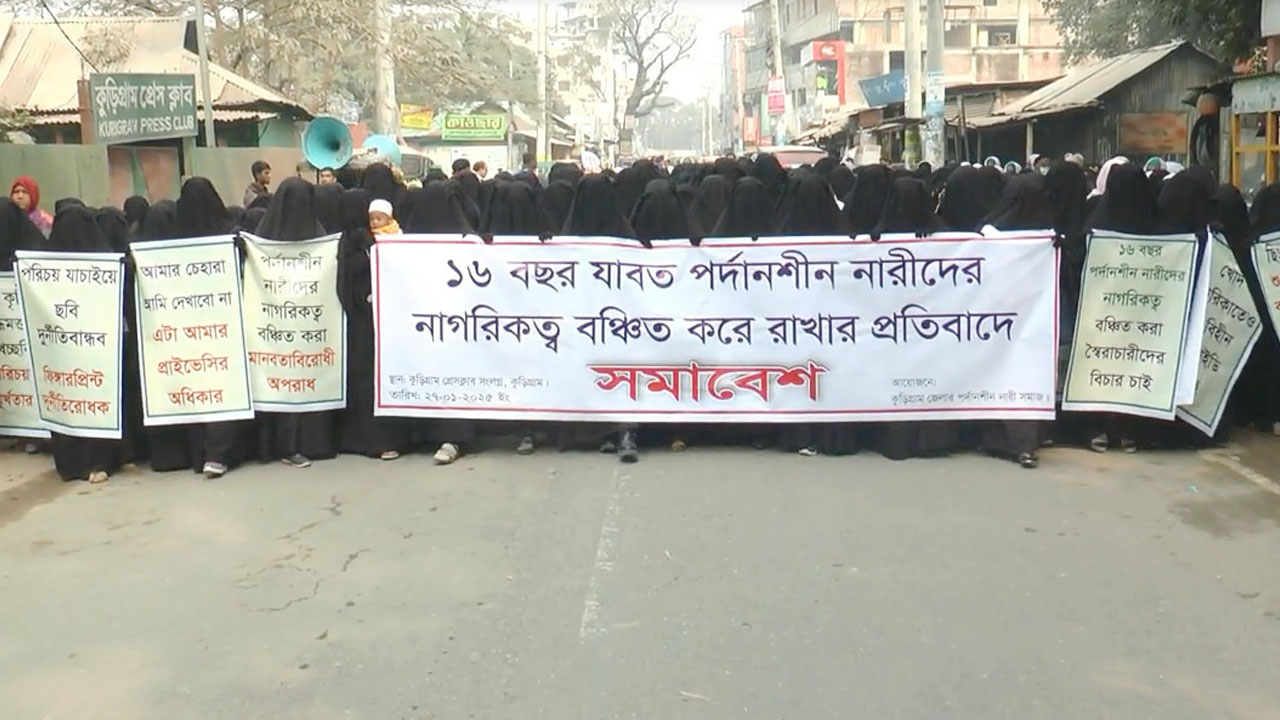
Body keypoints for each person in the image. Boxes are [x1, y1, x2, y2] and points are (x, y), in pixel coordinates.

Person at [254, 176, 338, 468]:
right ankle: (301, 444)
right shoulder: (315, 235)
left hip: (283, 326)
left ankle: (284, 445)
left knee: (288, 380)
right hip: (299, 325)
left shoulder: (265, 237)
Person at [43, 204, 127, 482]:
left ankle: (72, 463)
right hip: (95, 349)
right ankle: (100, 461)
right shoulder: (104, 260)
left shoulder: (45, 268)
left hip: (62, 351)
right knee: (94, 396)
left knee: (69, 398)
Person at [338, 188, 408, 460]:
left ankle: (368, 437)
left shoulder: (372, 240)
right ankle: (377, 439)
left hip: (362, 323)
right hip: (371, 322)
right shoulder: (357, 242)